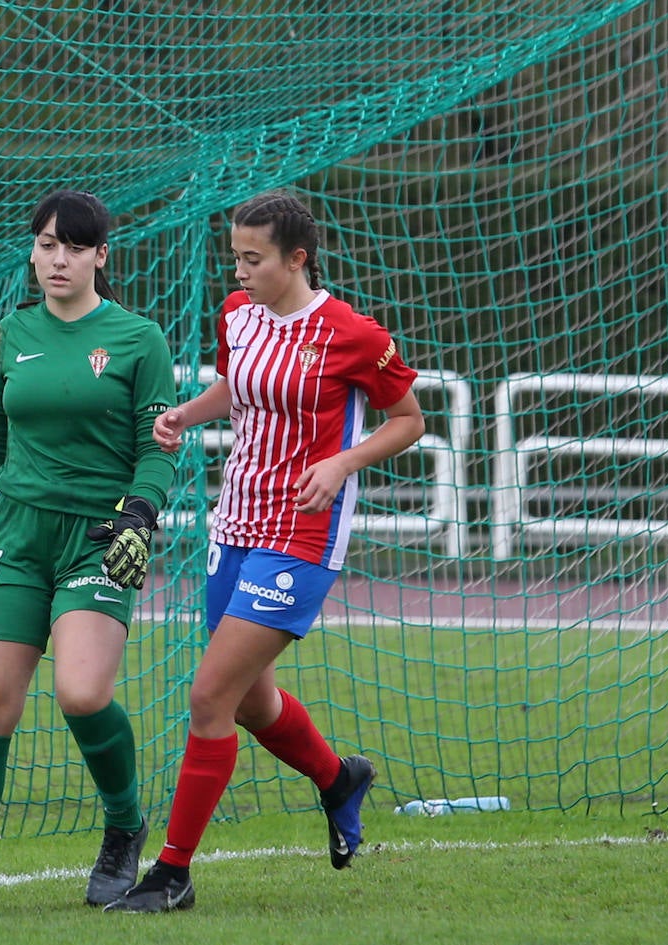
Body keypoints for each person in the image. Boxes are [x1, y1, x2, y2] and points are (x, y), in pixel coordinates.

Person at [104, 191, 426, 913]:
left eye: (255, 258)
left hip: (303, 535)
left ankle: (172, 872)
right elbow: (238, 386)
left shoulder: (350, 333)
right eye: (237, 256)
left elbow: (408, 419)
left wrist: (342, 463)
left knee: (209, 694)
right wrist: (187, 412)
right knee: (249, 700)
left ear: (297, 258)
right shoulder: (237, 315)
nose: (241, 270)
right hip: (237, 524)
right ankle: (339, 778)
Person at [0, 190, 179, 916]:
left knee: (82, 693)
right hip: (17, 537)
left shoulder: (137, 339)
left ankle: (124, 825)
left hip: (97, 535)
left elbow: (155, 450)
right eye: (45, 244)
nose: (56, 258)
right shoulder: (14, 334)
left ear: (100, 255)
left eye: (72, 245)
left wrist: (139, 514)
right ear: (32, 250)